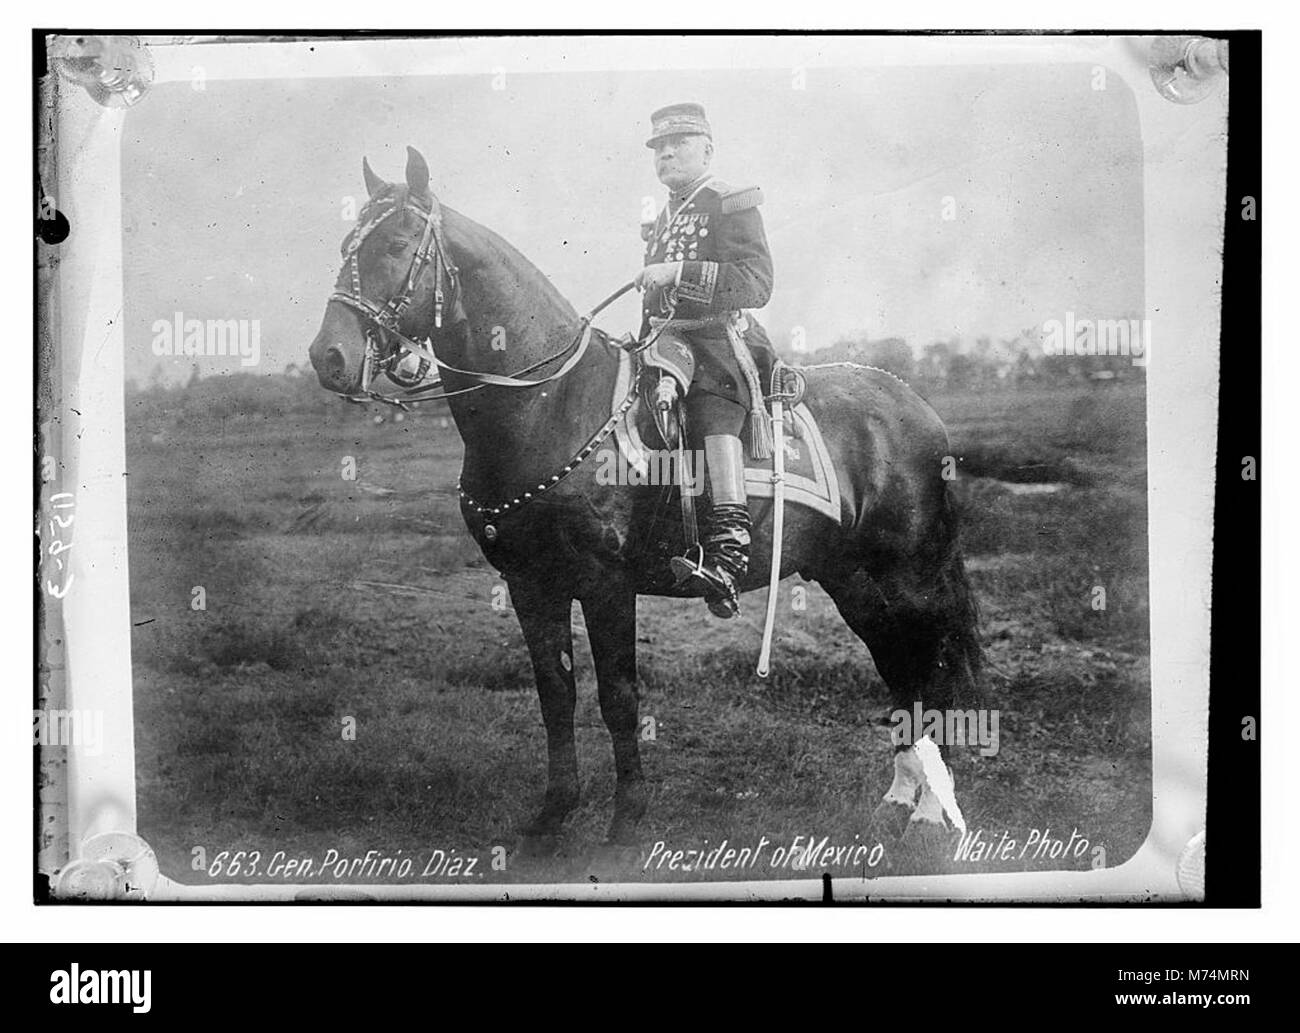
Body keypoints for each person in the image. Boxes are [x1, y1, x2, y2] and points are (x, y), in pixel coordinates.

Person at [633, 102, 775, 618]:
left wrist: (678, 270)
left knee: (713, 413)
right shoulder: (664, 214)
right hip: (668, 344)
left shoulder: (731, 202)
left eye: (678, 144)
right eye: (658, 148)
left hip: (718, 343)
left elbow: (757, 283)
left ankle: (731, 552)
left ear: (707, 149)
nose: (665, 153)